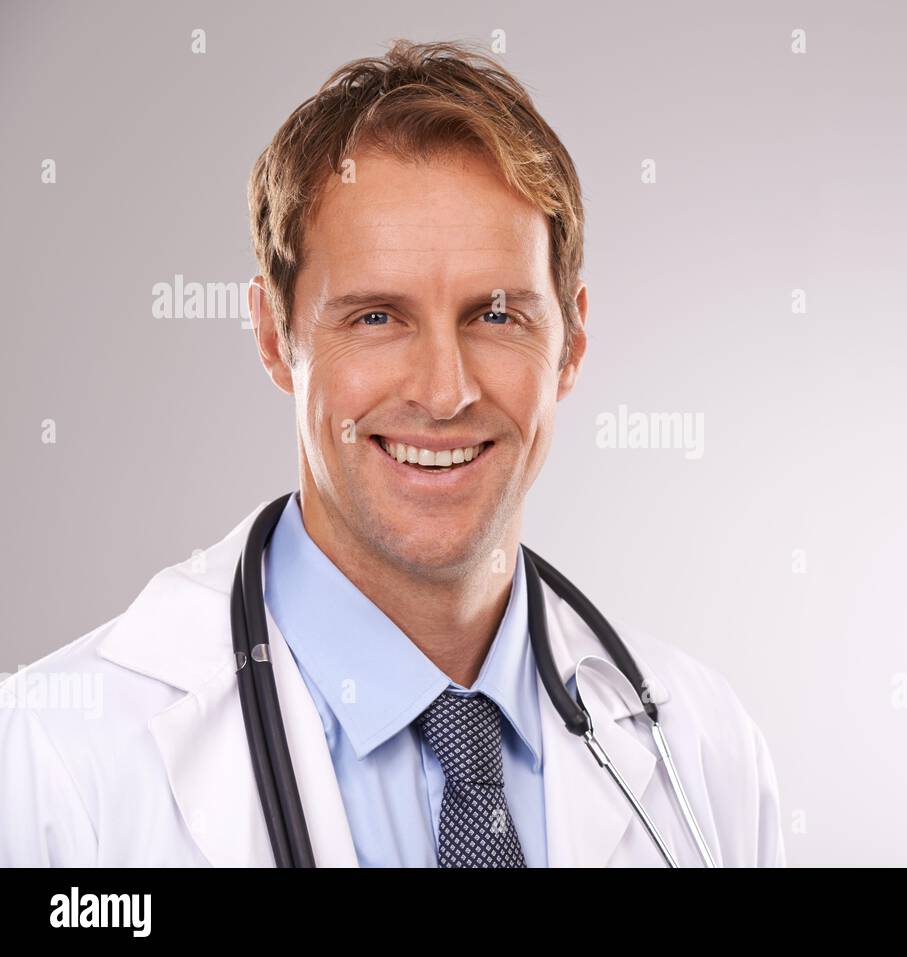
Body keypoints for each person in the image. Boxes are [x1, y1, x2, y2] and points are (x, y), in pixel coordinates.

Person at [0, 39, 785, 867]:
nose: (444, 393)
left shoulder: (700, 748)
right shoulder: (56, 759)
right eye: (377, 317)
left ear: (572, 339)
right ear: (274, 336)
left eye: (496, 315)